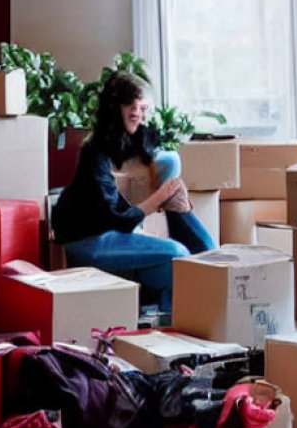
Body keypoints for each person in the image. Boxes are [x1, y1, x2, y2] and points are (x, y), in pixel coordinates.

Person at [50, 70, 214, 310]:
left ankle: (169, 320)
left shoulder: (125, 141)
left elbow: (160, 150)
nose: (138, 112)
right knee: (178, 253)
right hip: (89, 239)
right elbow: (117, 219)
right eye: (131, 105)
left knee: (198, 254)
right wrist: (160, 197)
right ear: (115, 107)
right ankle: (171, 319)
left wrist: (177, 200)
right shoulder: (95, 151)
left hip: (111, 228)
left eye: (142, 107)